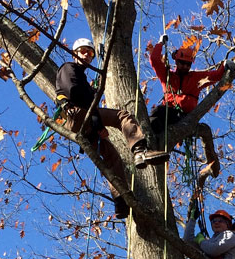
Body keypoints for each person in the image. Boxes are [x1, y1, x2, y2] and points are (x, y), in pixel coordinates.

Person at [55, 38, 169, 217]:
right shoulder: (69, 68)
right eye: (83, 51)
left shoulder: (81, 74)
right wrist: (97, 122)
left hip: (81, 120)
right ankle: (140, 150)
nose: (87, 55)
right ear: (74, 52)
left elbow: (84, 95)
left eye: (90, 53)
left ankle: (120, 202)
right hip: (78, 114)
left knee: (112, 158)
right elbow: (75, 93)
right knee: (123, 116)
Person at [147, 35, 234, 138]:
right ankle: (150, 141)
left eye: (188, 64)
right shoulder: (167, 76)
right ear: (176, 61)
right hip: (166, 113)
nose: (185, 66)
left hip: (184, 117)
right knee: (156, 115)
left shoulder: (195, 78)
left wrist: (225, 65)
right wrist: (160, 44)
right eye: (182, 63)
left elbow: (215, 76)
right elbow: (154, 60)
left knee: (159, 113)